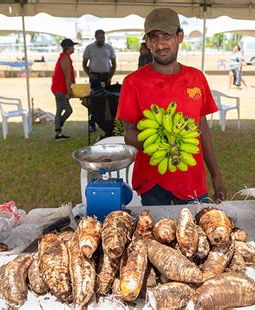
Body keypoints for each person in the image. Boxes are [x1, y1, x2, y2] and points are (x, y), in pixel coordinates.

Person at [117, 8, 227, 206]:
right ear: (147, 42)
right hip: (153, 183)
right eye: (153, 38)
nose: (160, 44)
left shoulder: (196, 78)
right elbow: (129, 134)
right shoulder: (133, 82)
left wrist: (216, 175)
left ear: (180, 36)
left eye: (166, 36)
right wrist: (163, 144)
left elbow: (202, 129)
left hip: (193, 180)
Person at [83, 29, 117, 134]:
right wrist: (89, 74)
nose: (102, 39)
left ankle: (108, 122)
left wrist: (110, 76)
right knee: (93, 100)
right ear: (96, 37)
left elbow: (114, 64)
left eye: (103, 37)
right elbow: (84, 64)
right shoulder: (89, 48)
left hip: (106, 76)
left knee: (107, 99)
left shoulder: (109, 48)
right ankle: (92, 123)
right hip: (94, 77)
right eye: (100, 37)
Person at [51, 38, 77, 141]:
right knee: (66, 110)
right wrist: (69, 90)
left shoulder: (66, 57)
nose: (73, 48)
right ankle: (58, 128)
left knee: (62, 109)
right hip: (60, 89)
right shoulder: (65, 58)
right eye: (72, 46)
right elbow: (67, 75)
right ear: (67, 47)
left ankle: (58, 128)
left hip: (60, 88)